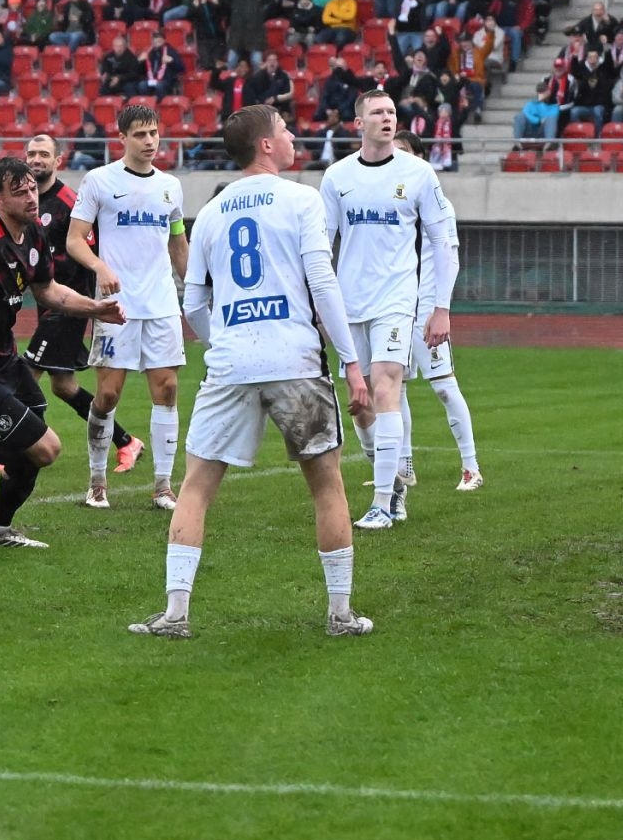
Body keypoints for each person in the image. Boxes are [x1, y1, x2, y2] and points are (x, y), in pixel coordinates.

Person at [128, 105, 374, 638]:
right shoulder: (302, 199)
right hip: (295, 359)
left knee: (195, 487)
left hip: (231, 362)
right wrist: (353, 362)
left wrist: (222, 339)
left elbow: (194, 301)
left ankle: (175, 613)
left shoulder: (212, 212)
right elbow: (323, 283)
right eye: (284, 129)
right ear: (266, 144)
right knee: (327, 484)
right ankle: (340, 614)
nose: (291, 136)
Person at [0, 157, 128, 548]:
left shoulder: (33, 233)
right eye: (20, 193)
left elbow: (47, 290)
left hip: (2, 354)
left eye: (33, 189)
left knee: (29, 447)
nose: (32, 198)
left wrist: (94, 308)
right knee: (45, 448)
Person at [320, 90, 458, 530]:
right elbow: (322, 246)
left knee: (385, 389)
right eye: (377, 112)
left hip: (397, 301)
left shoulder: (418, 173)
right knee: (360, 405)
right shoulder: (337, 177)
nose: (387, 117)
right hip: (349, 303)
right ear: (358, 123)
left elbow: (442, 243)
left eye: (392, 112)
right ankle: (393, 481)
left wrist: (441, 308)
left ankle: (382, 504)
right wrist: (319, 302)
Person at [66, 103, 189, 511]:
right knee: (107, 394)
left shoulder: (171, 187)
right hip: (116, 306)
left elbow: (177, 241)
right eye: (140, 134)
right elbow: (74, 239)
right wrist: (100, 267)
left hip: (161, 303)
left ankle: (163, 486)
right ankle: (97, 481)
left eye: (154, 133)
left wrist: (194, 287)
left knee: (167, 389)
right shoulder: (100, 181)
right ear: (121, 138)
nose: (149, 141)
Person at [19, 133, 143, 476]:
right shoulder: (30, 202)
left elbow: (89, 248)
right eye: (32, 153)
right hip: (49, 302)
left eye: (44, 154)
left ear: (58, 160)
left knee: (27, 374)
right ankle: (126, 441)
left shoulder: (70, 203)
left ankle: (18, 449)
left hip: (69, 304)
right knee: (63, 386)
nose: (36, 159)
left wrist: (91, 289)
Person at [394, 132, 482, 492]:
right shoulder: (390, 203)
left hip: (426, 311)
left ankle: (471, 468)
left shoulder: (439, 204)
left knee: (445, 386)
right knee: (393, 388)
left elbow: (450, 259)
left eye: (403, 152)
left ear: (420, 158)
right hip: (395, 309)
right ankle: (404, 468)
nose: (395, 159)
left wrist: (440, 309)